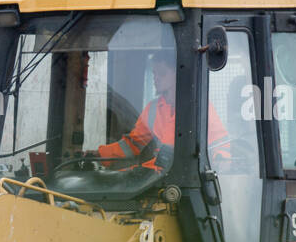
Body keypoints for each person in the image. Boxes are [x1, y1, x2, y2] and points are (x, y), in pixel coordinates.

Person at [97, 51, 231, 170]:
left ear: (178, 73)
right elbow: (133, 145)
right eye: (154, 73)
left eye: (161, 73)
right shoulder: (153, 109)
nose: (156, 78)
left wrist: (220, 160)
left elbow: (219, 144)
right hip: (156, 176)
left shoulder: (199, 108)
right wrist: (100, 155)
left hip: (186, 177)